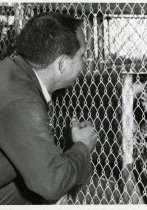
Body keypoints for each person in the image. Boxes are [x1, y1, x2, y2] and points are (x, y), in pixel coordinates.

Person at [0, 12, 98, 204]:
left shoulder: (10, 72)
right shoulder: (23, 101)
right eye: (82, 55)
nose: (85, 63)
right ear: (62, 64)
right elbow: (51, 184)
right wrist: (83, 147)